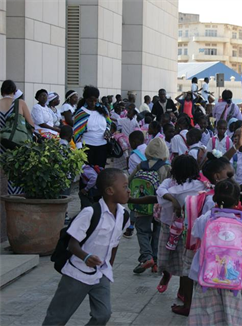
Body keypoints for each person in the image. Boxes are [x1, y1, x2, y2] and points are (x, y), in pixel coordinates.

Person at [42, 168, 130, 326]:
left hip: (101, 273)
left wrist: (108, 266)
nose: (129, 191)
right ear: (110, 191)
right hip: (77, 274)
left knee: (103, 314)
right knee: (57, 318)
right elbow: (72, 244)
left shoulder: (124, 215)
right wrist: (86, 257)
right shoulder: (90, 212)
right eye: (124, 187)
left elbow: (115, 244)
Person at [187, 178, 242, 326]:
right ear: (238, 200)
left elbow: (195, 233)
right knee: (234, 311)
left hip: (208, 273)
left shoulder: (205, 219)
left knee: (208, 313)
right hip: (236, 276)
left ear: (215, 198)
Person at [155, 155, 209, 304]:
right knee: (165, 257)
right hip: (169, 226)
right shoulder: (169, 183)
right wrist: (173, 201)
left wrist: (172, 198)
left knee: (183, 261)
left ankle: (182, 291)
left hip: (188, 230)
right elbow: (160, 191)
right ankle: (167, 275)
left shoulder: (200, 185)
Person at [129, 138, 171, 274]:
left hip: (142, 205)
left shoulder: (141, 165)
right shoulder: (166, 167)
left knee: (142, 231)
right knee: (158, 231)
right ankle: (156, 261)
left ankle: (146, 257)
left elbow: (130, 181)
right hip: (159, 206)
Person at [0, 80, 35, 194]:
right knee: (14, 175)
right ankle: (13, 200)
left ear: (2, 92)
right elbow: (32, 126)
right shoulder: (20, 103)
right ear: (14, 91)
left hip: (1, 146)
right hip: (16, 146)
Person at [74, 86, 111, 167]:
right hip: (87, 147)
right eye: (91, 101)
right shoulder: (81, 113)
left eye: (95, 100)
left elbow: (108, 123)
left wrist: (107, 131)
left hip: (102, 147)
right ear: (86, 99)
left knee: (100, 172)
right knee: (87, 174)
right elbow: (76, 133)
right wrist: (80, 150)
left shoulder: (103, 109)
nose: (93, 103)